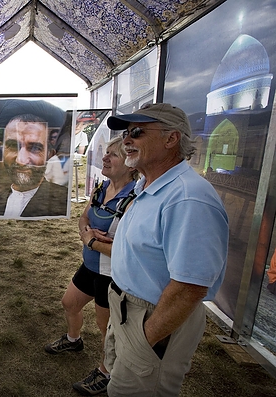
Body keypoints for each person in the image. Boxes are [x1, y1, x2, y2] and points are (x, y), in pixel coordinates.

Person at [104, 103, 229, 396]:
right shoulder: (150, 185)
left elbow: (190, 287)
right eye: (125, 133)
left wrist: (144, 339)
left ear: (171, 139)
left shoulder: (188, 198)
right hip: (129, 310)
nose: (126, 141)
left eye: (137, 132)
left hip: (153, 318)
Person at [45, 136, 137, 396]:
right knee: (69, 303)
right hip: (91, 265)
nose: (105, 158)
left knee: (107, 328)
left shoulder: (136, 196)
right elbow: (84, 216)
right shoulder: (102, 186)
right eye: (106, 153)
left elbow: (128, 246)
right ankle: (73, 341)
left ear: (131, 164)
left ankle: (106, 372)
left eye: (113, 155)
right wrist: (87, 233)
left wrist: (91, 241)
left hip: (112, 274)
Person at [0, 99, 68, 218]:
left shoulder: (63, 202)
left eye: (35, 148)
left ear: (50, 154)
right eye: (13, 146)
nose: (21, 161)